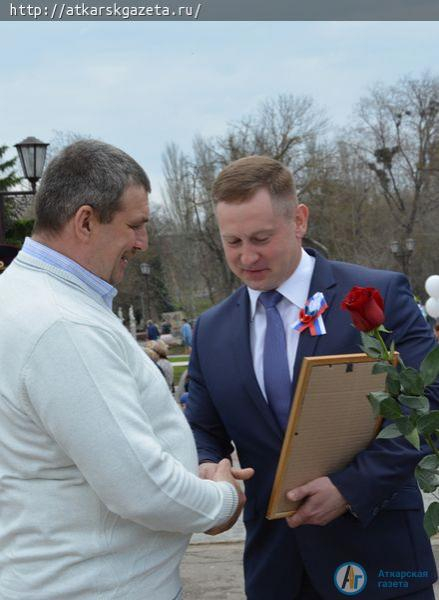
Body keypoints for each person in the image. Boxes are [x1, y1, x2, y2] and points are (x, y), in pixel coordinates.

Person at [0, 140, 254, 600]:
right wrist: (221, 501)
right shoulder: (62, 323)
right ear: (85, 221)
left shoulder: (27, 298)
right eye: (135, 226)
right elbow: (140, 486)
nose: (142, 243)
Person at [186, 155, 439, 600]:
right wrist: (209, 467)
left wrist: (350, 486)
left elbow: (429, 402)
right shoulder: (211, 329)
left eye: (262, 238)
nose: (247, 257)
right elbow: (203, 428)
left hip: (379, 557)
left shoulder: (377, 295)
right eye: (233, 241)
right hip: (276, 568)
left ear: (299, 220)